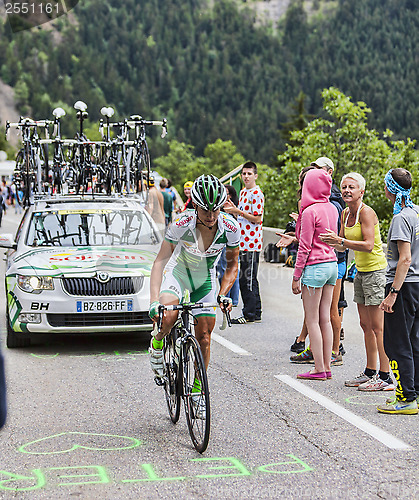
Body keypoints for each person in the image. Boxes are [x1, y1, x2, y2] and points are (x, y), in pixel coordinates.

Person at [148, 175, 240, 416]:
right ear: (195, 205)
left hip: (205, 280)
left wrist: (222, 294)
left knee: (206, 337)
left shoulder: (230, 228)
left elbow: (232, 266)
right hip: (177, 274)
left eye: (215, 210)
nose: (210, 216)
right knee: (168, 316)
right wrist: (153, 301)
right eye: (204, 210)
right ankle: (157, 344)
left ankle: (198, 392)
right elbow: (159, 262)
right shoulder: (181, 223)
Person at [320, 172, 394, 391]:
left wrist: (341, 240)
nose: (346, 191)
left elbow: (369, 244)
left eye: (352, 187)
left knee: (378, 328)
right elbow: (342, 245)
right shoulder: (344, 213)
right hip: (360, 272)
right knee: (365, 325)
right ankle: (370, 371)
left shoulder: (367, 213)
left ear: (361, 191)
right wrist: (327, 240)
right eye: (344, 187)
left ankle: (385, 375)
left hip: (376, 272)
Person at [377, 168, 419, 414]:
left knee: (396, 343)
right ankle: (415, 393)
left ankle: (405, 398)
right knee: (414, 342)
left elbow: (404, 259)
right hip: (417, 285)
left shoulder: (401, 217)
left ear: (391, 189)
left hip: (403, 286)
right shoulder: (417, 212)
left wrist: (393, 292)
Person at [292, 168, 338, 380]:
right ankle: (326, 366)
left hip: (314, 268)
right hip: (332, 266)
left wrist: (296, 276)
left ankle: (318, 368)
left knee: (312, 320)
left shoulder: (310, 211)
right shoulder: (332, 209)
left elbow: (304, 245)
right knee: (325, 319)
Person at [226, 161, 264, 324]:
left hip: (252, 243)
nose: (246, 176)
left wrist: (237, 211)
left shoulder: (256, 194)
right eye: (244, 174)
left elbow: (257, 218)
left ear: (255, 176)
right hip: (243, 241)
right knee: (250, 278)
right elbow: (242, 216)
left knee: (246, 278)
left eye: (249, 174)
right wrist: (234, 209)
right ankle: (256, 312)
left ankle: (249, 313)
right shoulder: (243, 192)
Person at [217, 184, 240, 306]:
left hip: (230, 241)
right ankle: (224, 295)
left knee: (232, 267)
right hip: (221, 241)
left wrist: (233, 211)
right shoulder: (217, 207)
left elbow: (238, 222)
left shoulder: (232, 206)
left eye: (226, 193)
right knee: (221, 268)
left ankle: (233, 299)